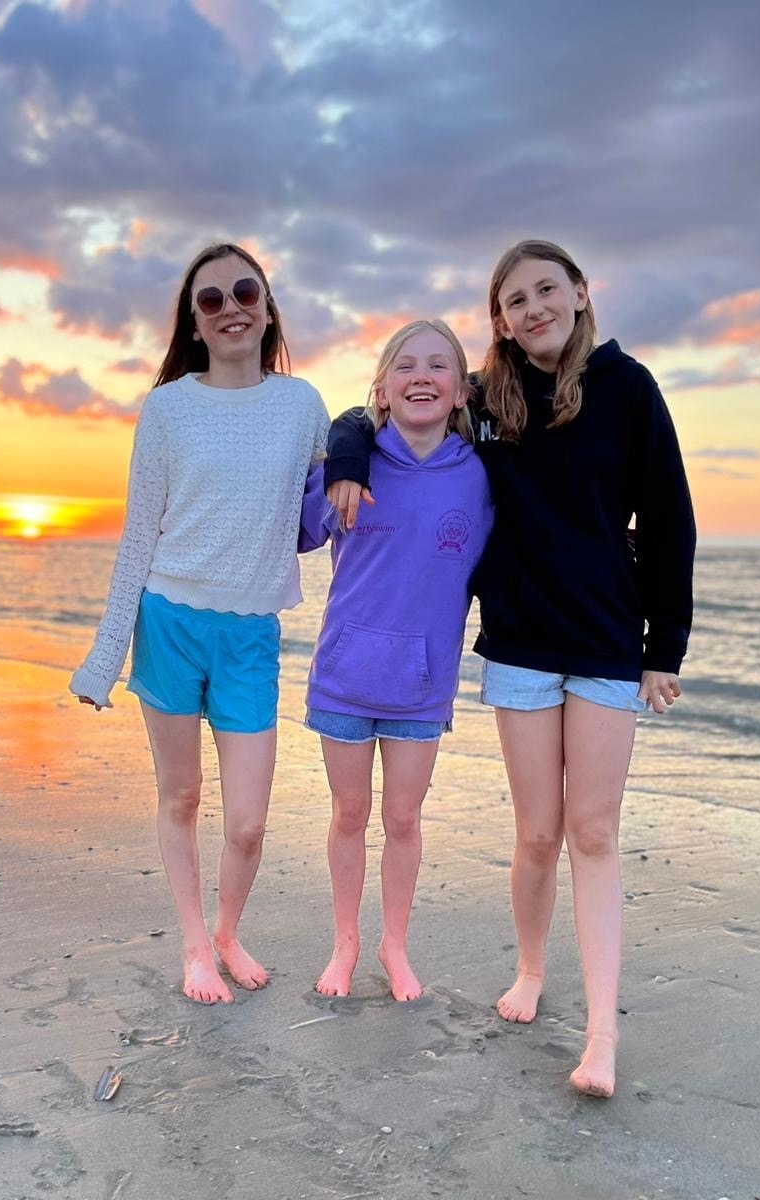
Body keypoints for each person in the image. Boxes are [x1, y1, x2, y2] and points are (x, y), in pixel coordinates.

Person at [323, 241, 695, 1096]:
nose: (531, 310)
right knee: (536, 834)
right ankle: (530, 969)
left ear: (578, 293)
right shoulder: (486, 397)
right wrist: (345, 458)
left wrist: (662, 649)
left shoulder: (629, 388)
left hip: (606, 642)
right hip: (521, 643)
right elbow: (382, 412)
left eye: (544, 292)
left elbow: (670, 517)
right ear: (499, 318)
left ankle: (601, 1036)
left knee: (593, 831)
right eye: (513, 301)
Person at [71, 243, 330, 1005]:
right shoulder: (168, 408)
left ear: (269, 306)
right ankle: (194, 946)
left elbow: (345, 483)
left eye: (244, 291)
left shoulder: (301, 404)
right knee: (180, 798)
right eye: (211, 299)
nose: (231, 308)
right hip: (170, 621)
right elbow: (137, 535)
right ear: (194, 320)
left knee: (248, 822)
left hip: (252, 632)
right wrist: (105, 655)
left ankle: (227, 931)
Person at [299, 320, 493, 1002]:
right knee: (349, 814)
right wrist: (328, 459)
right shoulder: (350, 465)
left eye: (438, 365)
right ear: (381, 389)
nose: (421, 375)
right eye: (404, 365)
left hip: (422, 685)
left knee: (404, 820)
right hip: (346, 678)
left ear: (461, 392)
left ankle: (394, 945)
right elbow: (289, 530)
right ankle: (345, 943)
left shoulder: (478, 479)